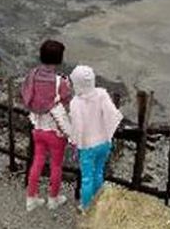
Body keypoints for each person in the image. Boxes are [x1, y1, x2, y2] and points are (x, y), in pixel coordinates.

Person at [23, 40, 73, 212]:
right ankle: (53, 198)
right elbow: (67, 102)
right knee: (56, 165)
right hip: (55, 131)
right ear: (59, 59)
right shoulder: (60, 81)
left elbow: (26, 95)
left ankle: (31, 197)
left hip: (37, 127)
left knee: (37, 161)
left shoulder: (33, 74)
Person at [69, 65, 123, 211]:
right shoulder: (101, 94)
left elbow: (77, 127)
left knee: (87, 178)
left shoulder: (76, 103)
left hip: (88, 147)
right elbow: (112, 114)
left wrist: (76, 144)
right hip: (104, 143)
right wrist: (108, 134)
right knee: (99, 172)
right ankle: (98, 202)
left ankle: (86, 207)